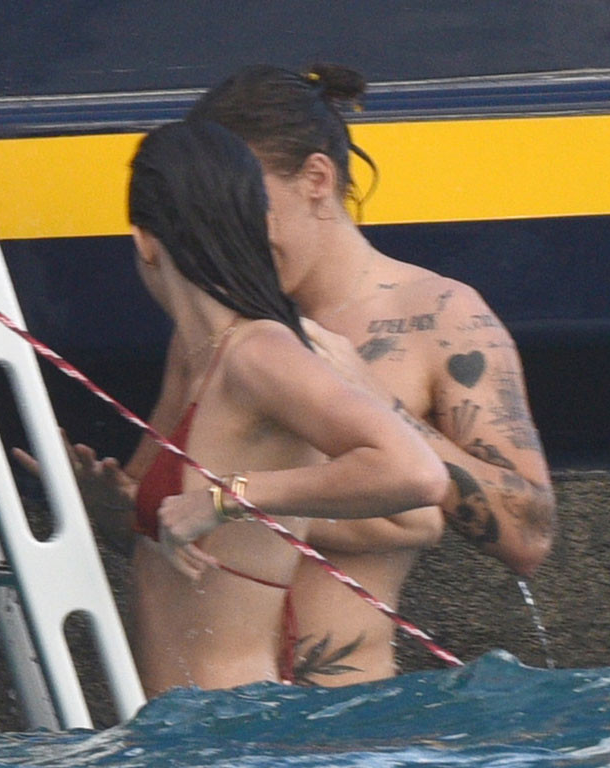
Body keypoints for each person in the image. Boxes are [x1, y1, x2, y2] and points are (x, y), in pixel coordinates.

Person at [20, 119, 447, 698]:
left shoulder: (259, 354)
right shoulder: (194, 353)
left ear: (144, 241)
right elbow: (177, 546)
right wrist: (105, 506)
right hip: (181, 726)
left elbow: (417, 475)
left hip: (240, 728)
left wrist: (227, 497)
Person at [173, 63, 557, 686]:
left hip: (354, 714)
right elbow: (177, 521)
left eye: (244, 210)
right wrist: (116, 510)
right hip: (225, 714)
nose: (228, 240)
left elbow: (528, 534)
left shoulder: (440, 317)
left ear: (316, 180)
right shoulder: (213, 322)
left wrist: (378, 402)